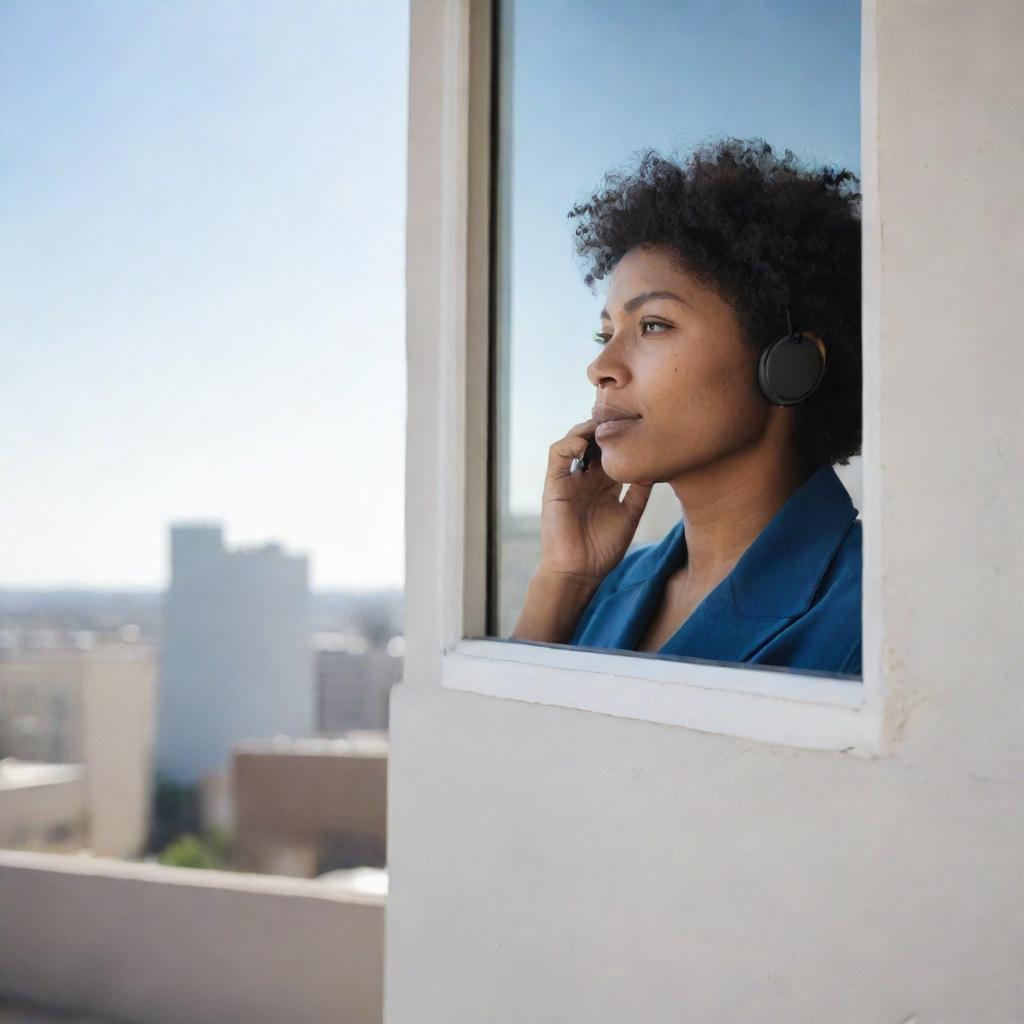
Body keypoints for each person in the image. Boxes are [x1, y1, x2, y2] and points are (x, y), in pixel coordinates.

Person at [510, 137, 863, 676]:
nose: (600, 367)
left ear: (790, 363)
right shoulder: (609, 589)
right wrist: (564, 579)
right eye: (605, 332)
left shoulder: (879, 613)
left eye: (653, 325)